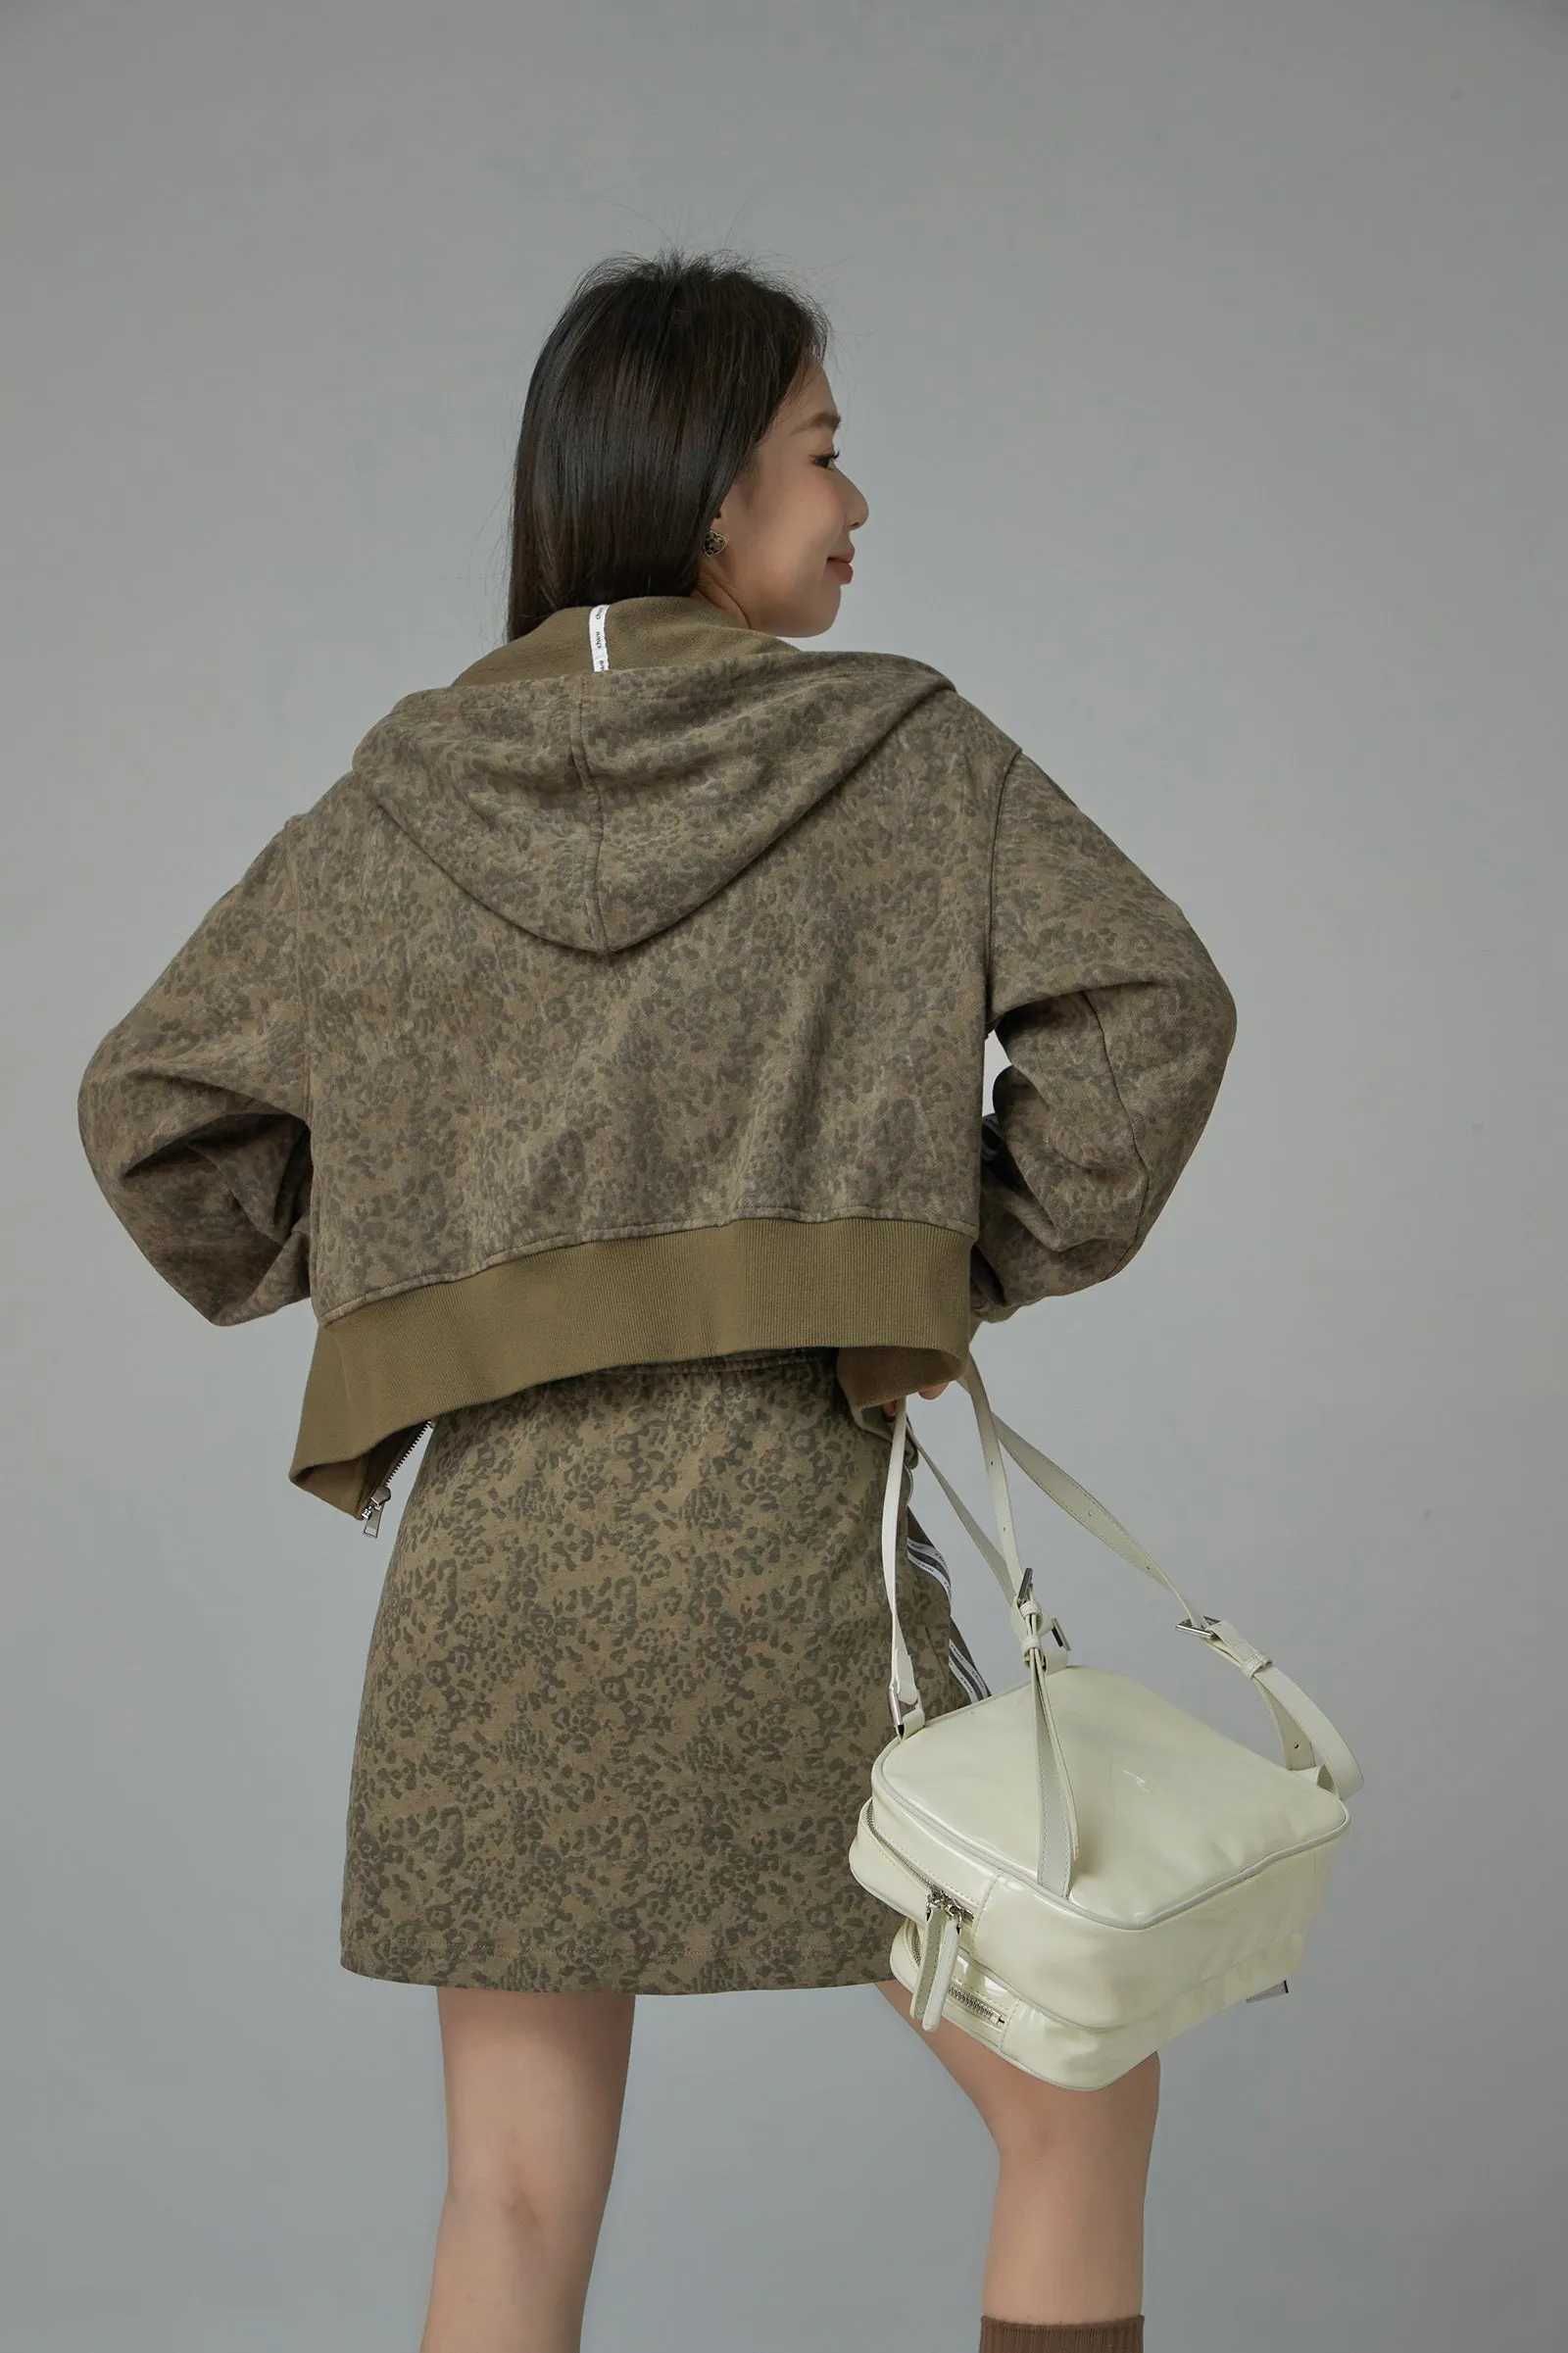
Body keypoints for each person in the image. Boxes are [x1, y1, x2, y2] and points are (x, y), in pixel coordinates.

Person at [75, 246, 1237, 2353]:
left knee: (512, 2189)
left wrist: (420, 1273)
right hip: (782, 1545)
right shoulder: (904, 752)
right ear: (709, 486)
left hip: (490, 1585)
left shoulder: (398, 795)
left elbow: (152, 1114)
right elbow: (1151, 1015)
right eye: (822, 452)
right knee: (1079, 2096)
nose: (854, 503)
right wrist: (940, 1254)